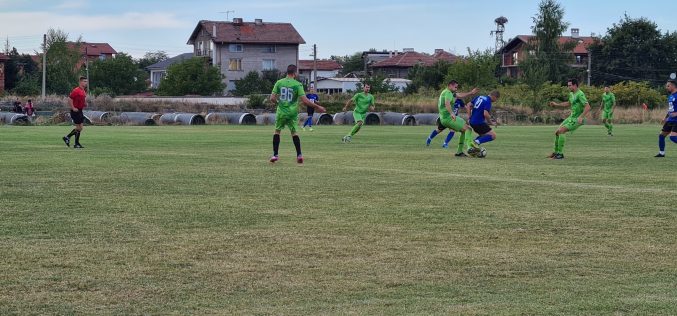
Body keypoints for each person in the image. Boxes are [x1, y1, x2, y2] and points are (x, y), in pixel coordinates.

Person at [269, 65, 326, 164]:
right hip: (292, 112)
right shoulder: (298, 84)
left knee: (277, 131)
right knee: (294, 133)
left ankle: (275, 155)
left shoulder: (279, 82)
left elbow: (272, 98)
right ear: (295, 73)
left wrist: (279, 103)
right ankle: (299, 155)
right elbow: (305, 101)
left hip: (281, 112)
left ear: (287, 72)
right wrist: (317, 107)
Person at [425, 80, 479, 157]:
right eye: (455, 87)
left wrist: (471, 92)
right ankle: (469, 148)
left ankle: (459, 152)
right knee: (468, 129)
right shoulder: (448, 93)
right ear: (450, 85)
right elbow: (447, 103)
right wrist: (452, 113)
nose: (456, 89)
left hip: (444, 118)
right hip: (448, 118)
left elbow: (459, 95)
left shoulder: (447, 92)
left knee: (465, 130)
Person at [547, 78, 591, 159]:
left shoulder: (580, 94)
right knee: (557, 132)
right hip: (571, 117)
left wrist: (581, 117)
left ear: (575, 85)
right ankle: (556, 152)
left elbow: (588, 107)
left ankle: (560, 154)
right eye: (568, 86)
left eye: (570, 85)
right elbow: (568, 103)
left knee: (561, 131)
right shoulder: (571, 94)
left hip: (577, 119)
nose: (568, 87)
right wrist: (557, 105)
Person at [467, 91, 500, 155]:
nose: (495, 101)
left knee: (483, 136)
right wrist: (491, 122)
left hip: (472, 122)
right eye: (496, 99)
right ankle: (475, 142)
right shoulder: (488, 101)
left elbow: (468, 105)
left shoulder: (479, 97)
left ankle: (472, 150)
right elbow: (486, 114)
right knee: (493, 135)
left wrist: (469, 116)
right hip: (479, 122)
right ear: (494, 96)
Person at [63, 76, 88, 149]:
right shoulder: (76, 90)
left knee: (80, 128)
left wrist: (85, 103)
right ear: (80, 82)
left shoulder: (83, 90)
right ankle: (69, 139)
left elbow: (82, 99)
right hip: (75, 111)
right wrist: (73, 108)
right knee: (79, 127)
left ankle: (74, 142)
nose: (86, 83)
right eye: (84, 81)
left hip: (80, 110)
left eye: (86, 81)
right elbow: (70, 99)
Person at [655, 79, 677, 157]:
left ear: (673, 86)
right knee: (661, 135)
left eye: (668, 86)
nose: (666, 87)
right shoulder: (671, 96)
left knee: (673, 137)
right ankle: (661, 153)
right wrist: (665, 118)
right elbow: (670, 109)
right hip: (670, 120)